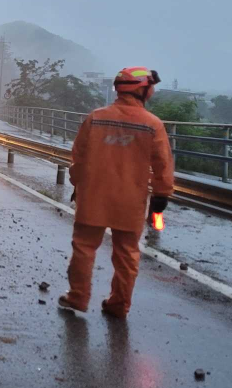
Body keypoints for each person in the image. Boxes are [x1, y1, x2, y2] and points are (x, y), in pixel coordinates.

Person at [58, 67, 175, 319]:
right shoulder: (153, 124)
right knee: (127, 254)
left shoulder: (96, 118)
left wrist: (78, 185)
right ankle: (118, 305)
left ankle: (77, 297)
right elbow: (163, 165)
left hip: (93, 196)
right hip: (130, 200)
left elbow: (78, 157)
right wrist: (161, 195)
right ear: (143, 90)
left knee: (83, 247)